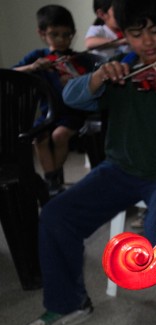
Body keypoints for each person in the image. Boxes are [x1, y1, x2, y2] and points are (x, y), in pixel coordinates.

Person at [21, 0, 156, 325]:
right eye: (137, 34)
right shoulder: (119, 69)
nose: (149, 42)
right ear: (124, 36)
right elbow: (73, 97)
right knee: (56, 215)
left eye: (155, 31)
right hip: (119, 169)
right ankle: (69, 303)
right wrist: (97, 77)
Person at [13, 5, 90, 197]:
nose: (62, 40)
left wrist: (73, 82)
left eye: (67, 35)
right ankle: (52, 179)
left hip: (72, 113)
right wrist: (32, 67)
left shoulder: (78, 59)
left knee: (59, 136)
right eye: (55, 35)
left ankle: (54, 177)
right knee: (39, 137)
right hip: (49, 113)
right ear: (42, 34)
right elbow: (13, 73)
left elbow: (89, 83)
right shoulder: (37, 57)